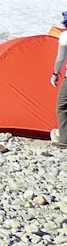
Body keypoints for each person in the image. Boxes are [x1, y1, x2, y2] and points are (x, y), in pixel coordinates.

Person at [50, 12, 67, 146]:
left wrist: (55, 74)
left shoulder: (65, 36)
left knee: (62, 106)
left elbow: (60, 58)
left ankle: (64, 139)